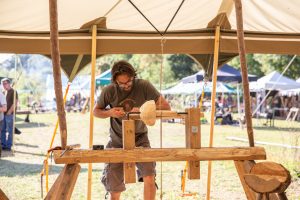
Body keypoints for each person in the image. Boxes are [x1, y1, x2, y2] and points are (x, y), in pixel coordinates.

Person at [93, 60, 171, 200]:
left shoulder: (144, 86)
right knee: (114, 185)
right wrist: (109, 112)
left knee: (149, 176)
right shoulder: (110, 90)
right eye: (121, 83)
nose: (125, 86)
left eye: (128, 82)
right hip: (117, 140)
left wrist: (142, 110)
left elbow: (166, 107)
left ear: (133, 76)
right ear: (115, 81)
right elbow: (95, 112)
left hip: (140, 138)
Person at [1, 78, 18, 151]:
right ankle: (3, 144)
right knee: (3, 130)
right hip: (3, 113)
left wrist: (10, 111)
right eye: (3, 84)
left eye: (5, 83)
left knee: (10, 130)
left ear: (9, 83)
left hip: (9, 114)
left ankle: (8, 145)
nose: (4, 85)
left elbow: (15, 102)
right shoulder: (4, 92)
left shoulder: (13, 91)